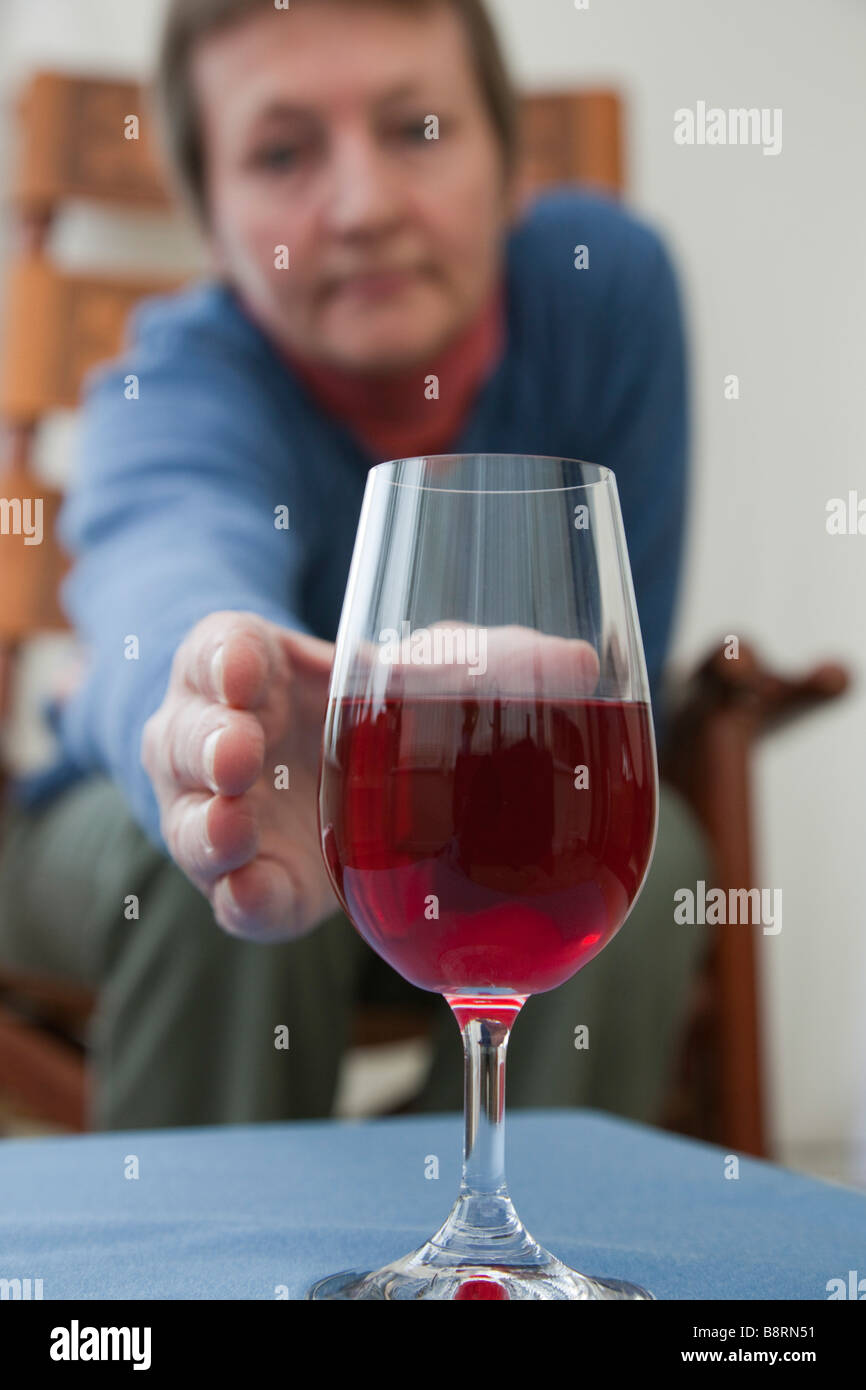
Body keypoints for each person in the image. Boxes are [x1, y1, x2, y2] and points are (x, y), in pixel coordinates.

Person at [0, 0, 709, 1130]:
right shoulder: (176, 383)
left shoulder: (604, 292)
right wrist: (211, 705)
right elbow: (168, 559)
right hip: (103, 837)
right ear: (213, 223)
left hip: (454, 844)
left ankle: (493, 1241)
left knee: (654, 852)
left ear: (508, 161)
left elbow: (614, 681)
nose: (363, 206)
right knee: (225, 841)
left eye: (416, 130)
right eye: (281, 153)